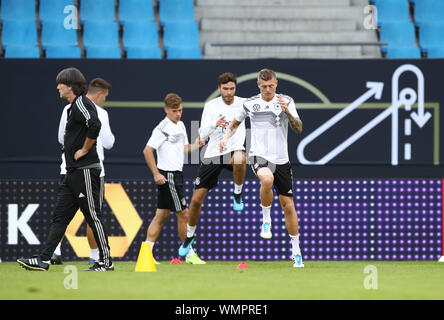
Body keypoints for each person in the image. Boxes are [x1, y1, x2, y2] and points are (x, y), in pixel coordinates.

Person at [17, 67, 113, 271]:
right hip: (72, 172)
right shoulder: (71, 108)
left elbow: (95, 125)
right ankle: (43, 260)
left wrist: (84, 149)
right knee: (60, 217)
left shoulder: (82, 104)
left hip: (85, 170)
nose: (57, 87)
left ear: (70, 86)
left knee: (92, 215)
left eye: (60, 83)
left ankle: (106, 261)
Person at [220, 68, 304, 268]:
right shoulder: (250, 104)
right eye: (264, 86)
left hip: (282, 159)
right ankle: (266, 218)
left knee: (288, 206)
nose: (268, 89)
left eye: (271, 85)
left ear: (276, 84)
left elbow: (298, 128)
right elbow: (234, 124)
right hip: (259, 155)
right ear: (258, 86)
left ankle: (296, 251)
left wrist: (288, 114)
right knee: (267, 179)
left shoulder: (287, 101)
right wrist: (224, 139)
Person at [178, 72, 247, 259]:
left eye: (232, 88)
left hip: (233, 149)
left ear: (235, 88)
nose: (229, 92)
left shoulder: (243, 103)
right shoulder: (210, 106)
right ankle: (190, 236)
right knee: (196, 201)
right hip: (213, 154)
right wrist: (215, 125)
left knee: (241, 158)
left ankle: (237, 194)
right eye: (225, 89)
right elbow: (202, 133)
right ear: (219, 89)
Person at [51, 78, 115, 265]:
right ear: (99, 94)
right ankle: (96, 256)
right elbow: (109, 142)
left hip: (68, 167)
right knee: (93, 215)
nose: (104, 100)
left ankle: (54, 252)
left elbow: (61, 138)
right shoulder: (100, 113)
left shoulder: (68, 108)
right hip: (91, 170)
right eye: (105, 97)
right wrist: (85, 148)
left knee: (62, 214)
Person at [143, 93, 206, 264]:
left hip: (177, 175)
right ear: (166, 110)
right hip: (168, 175)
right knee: (184, 214)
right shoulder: (161, 128)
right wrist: (156, 173)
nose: (178, 114)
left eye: (180, 110)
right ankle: (189, 253)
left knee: (161, 216)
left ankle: (146, 254)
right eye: (174, 111)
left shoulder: (181, 125)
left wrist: (196, 145)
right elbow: (147, 151)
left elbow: (184, 148)